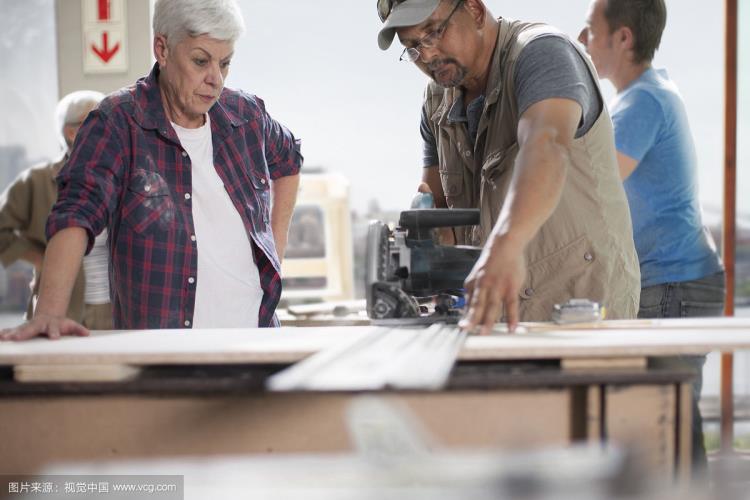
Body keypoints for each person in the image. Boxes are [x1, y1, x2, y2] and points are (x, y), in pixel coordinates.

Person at [0, 0, 301, 341]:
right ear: (163, 48)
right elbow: (77, 210)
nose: (215, 79)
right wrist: (50, 313)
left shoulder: (246, 115)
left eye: (225, 63)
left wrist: (275, 246)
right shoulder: (117, 121)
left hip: (257, 343)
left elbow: (290, 159)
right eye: (201, 61)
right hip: (163, 354)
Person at [376, 0, 640, 334]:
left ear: (473, 9)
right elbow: (437, 208)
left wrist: (506, 244)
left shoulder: (542, 53)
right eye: (412, 47)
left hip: (583, 314)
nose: (427, 55)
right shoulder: (435, 102)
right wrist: (421, 251)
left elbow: (547, 145)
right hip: (498, 318)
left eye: (434, 32)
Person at [578, 0, 725, 471]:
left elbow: (593, 188)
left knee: (670, 428)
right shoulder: (648, 93)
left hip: (673, 284)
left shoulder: (643, 102)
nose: (582, 42)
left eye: (589, 31)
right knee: (673, 425)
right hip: (678, 279)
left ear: (623, 38)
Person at [0, 91, 113, 330]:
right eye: (97, 121)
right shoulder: (36, 180)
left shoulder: (121, 178)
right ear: (71, 133)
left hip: (113, 310)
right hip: (63, 307)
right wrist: (41, 258)